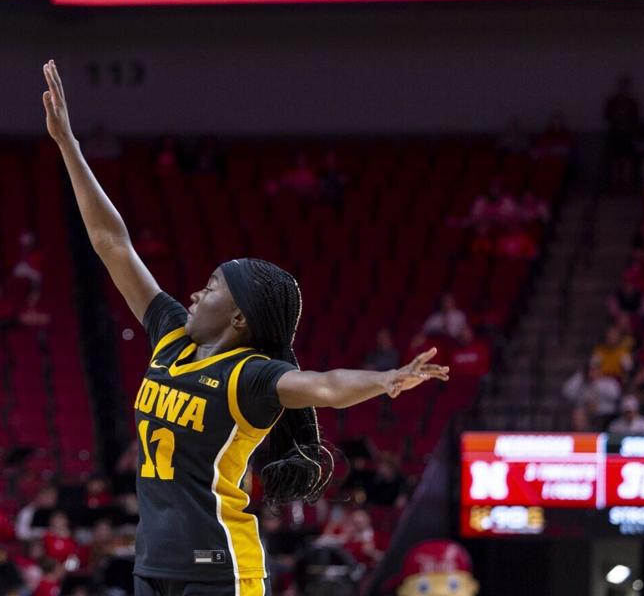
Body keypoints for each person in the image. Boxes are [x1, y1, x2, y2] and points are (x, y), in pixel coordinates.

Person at [41, 60, 447, 596]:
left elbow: (324, 385)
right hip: (152, 565)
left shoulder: (251, 376)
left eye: (211, 288)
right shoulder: (171, 335)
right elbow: (113, 244)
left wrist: (387, 378)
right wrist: (68, 145)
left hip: (220, 567)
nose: (193, 293)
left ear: (239, 318)